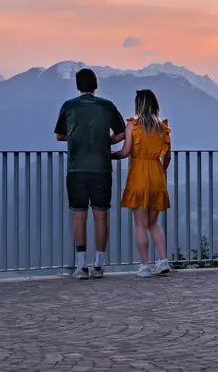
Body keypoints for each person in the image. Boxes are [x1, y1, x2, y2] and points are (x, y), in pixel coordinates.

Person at [55, 67, 126, 279]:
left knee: (79, 217)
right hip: (101, 168)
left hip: (76, 169)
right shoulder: (107, 106)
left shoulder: (68, 106)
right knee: (101, 216)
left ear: (78, 86)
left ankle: (80, 267)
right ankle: (99, 265)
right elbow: (121, 133)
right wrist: (105, 141)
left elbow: (59, 136)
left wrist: (78, 138)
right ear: (95, 85)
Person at [114, 89, 172, 278]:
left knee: (140, 224)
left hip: (138, 176)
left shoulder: (133, 126)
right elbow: (168, 156)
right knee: (153, 222)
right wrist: (160, 171)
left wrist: (107, 155)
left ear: (138, 105)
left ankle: (144, 266)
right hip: (157, 176)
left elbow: (124, 152)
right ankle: (163, 260)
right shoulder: (163, 128)